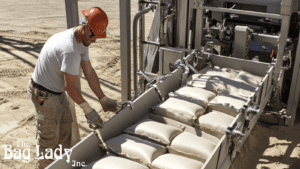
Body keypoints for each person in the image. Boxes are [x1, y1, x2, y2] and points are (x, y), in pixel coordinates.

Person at [27, 7, 119, 169]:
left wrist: (102, 98)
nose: (95, 40)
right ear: (84, 28)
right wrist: (88, 110)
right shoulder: (70, 49)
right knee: (49, 140)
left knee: (64, 132)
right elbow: (70, 87)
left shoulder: (82, 40)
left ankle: (60, 165)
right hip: (43, 94)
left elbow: (89, 72)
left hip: (56, 91)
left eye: (97, 36)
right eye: (93, 36)